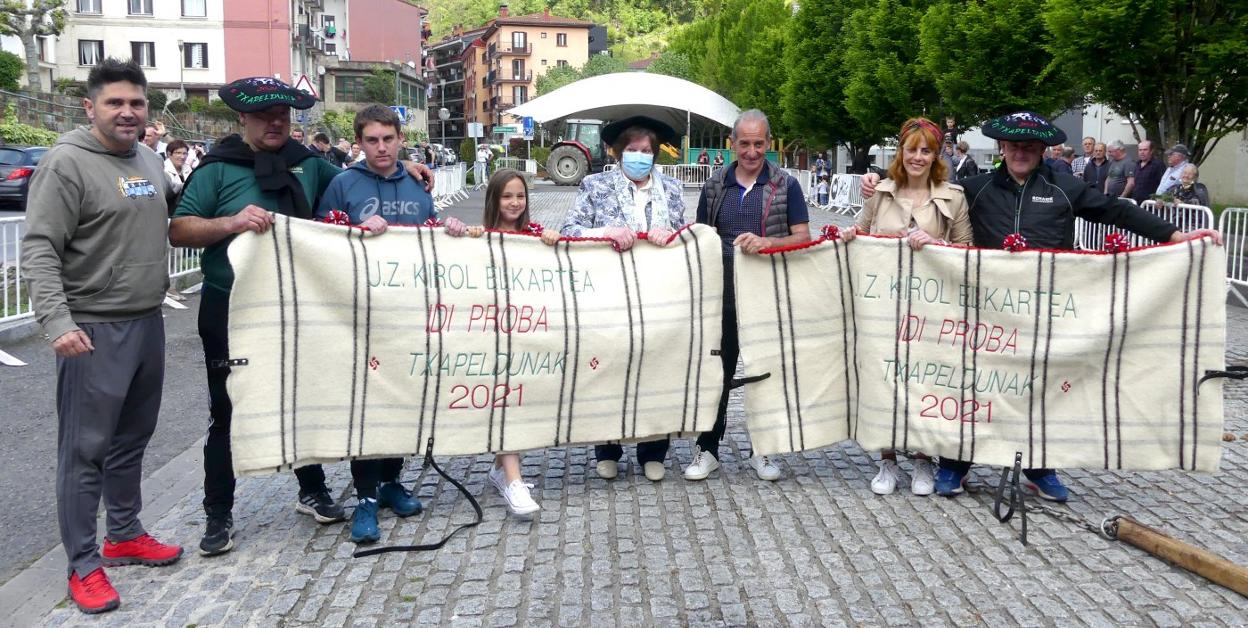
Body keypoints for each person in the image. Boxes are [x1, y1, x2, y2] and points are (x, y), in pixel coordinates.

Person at [859, 110, 1221, 502]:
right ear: (1002, 148)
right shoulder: (975, 188)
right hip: (984, 310)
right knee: (973, 383)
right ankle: (957, 461)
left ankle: (1038, 466)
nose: (1021, 153)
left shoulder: (1065, 187)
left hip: (1042, 312)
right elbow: (923, 180)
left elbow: (1116, 210)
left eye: (1029, 147)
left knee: (1039, 386)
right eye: (1014, 146)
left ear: (1042, 150)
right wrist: (876, 176)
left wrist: (1175, 234)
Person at [169, 77, 436, 557]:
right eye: (264, 116)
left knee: (302, 395)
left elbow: (362, 178)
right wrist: (230, 223)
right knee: (228, 409)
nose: (275, 123)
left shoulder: (307, 164)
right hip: (230, 303)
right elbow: (180, 229)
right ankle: (218, 513)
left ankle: (311, 489)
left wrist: (407, 166)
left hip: (297, 305)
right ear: (243, 119)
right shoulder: (217, 169)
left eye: (283, 116)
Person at [22, 57, 183, 615]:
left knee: (132, 440)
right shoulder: (65, 164)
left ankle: (124, 534)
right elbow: (40, 247)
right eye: (115, 103)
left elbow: (170, 212)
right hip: (92, 327)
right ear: (90, 107)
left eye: (136, 103)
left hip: (146, 320)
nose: (127, 112)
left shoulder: (146, 159)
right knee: (84, 452)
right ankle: (83, 564)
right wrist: (58, 324)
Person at [314, 105, 446, 543]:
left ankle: (391, 482)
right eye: (372, 140)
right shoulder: (342, 184)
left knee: (406, 401)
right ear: (360, 142)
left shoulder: (416, 182)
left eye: (388, 139)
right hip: (362, 316)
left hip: (410, 314)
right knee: (368, 407)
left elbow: (431, 238)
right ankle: (365, 499)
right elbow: (319, 242)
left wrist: (450, 231)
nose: (382, 147)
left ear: (400, 139)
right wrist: (352, 230)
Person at [841, 117, 972, 496]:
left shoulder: (953, 197)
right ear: (901, 151)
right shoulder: (881, 192)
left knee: (925, 380)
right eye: (911, 149)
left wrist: (935, 246)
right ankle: (887, 460)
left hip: (931, 309)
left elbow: (967, 249)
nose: (918, 157)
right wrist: (854, 235)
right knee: (885, 379)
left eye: (926, 150)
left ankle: (922, 459)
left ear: (937, 155)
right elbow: (861, 232)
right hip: (884, 306)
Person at [684, 109, 811, 483]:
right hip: (721, 297)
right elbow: (701, 238)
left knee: (763, 376)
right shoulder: (714, 186)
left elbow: (803, 237)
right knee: (716, 375)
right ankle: (707, 449)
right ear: (732, 144)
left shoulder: (787, 186)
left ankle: (764, 450)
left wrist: (768, 241)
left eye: (759, 143)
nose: (752, 151)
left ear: (768, 144)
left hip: (766, 298)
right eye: (745, 143)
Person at [560, 115, 688, 482]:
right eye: (632, 150)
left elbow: (686, 238)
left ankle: (653, 448)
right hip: (609, 297)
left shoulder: (673, 189)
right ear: (618, 152)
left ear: (655, 154)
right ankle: (608, 447)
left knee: (656, 369)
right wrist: (606, 231)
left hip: (658, 296)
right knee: (609, 370)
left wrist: (673, 236)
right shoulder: (594, 185)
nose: (639, 156)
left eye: (645, 151)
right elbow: (571, 230)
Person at [446, 168, 560, 514]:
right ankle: (513, 481)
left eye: (520, 196)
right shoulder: (482, 236)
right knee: (504, 399)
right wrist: (463, 236)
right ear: (494, 199)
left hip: (526, 334)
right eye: (507, 196)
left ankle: (501, 468)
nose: (514, 202)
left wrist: (553, 240)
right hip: (490, 335)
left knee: (517, 399)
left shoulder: (535, 235)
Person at [1131, 140, 1164, 204]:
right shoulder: (1137, 164)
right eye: (1140, 150)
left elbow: (1163, 185)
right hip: (1136, 202)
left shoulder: (1158, 165)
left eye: (1145, 150)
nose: (1142, 152)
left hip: (1150, 204)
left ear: (1151, 151)